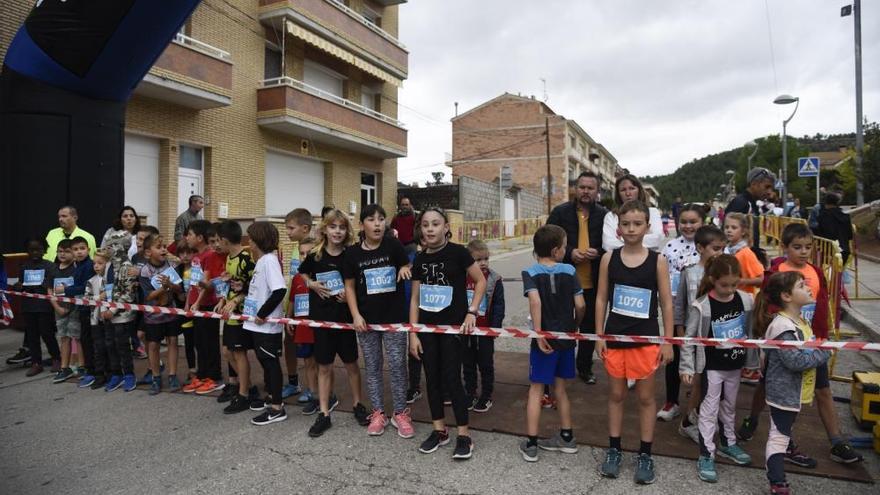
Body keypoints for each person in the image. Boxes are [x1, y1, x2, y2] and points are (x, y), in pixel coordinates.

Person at [737, 223, 863, 465]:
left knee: (823, 389)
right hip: (782, 343)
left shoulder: (816, 271)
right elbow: (764, 303)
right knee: (768, 387)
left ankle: (836, 441)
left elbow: (824, 303)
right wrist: (766, 333)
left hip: (811, 344)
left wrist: (824, 335)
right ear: (785, 247)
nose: (803, 252)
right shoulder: (776, 271)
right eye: (797, 247)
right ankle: (753, 420)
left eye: (808, 247)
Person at [594, 200, 674, 485]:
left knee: (645, 398)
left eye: (637, 224)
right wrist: (599, 336)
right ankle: (614, 449)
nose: (631, 229)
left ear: (647, 227)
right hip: (615, 338)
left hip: (647, 339)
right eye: (626, 224)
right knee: (616, 396)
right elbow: (601, 297)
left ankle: (645, 454)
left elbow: (666, 302)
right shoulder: (608, 259)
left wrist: (667, 341)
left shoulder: (658, 260)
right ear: (618, 227)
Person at [409, 207, 486, 460]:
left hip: (453, 328)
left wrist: (471, 312)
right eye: (425, 225)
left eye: (435, 224)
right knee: (432, 380)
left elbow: (481, 281)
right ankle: (439, 431)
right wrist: (413, 333)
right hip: (427, 329)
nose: (430, 229)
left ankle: (464, 435)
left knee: (453, 380)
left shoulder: (459, 253)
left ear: (445, 227)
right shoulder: (419, 259)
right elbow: (415, 298)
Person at [680, 254, 754, 483]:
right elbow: (688, 338)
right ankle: (706, 454)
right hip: (713, 367)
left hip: (735, 365)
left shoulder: (746, 300)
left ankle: (728, 443)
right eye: (724, 285)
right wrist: (687, 367)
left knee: (730, 406)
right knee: (710, 408)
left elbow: (750, 333)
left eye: (734, 284)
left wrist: (752, 362)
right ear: (712, 279)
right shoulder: (701, 306)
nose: (729, 289)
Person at [756, 271, 831, 495]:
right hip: (784, 392)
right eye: (802, 285)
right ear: (787, 296)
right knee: (778, 435)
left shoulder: (798, 321)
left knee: (784, 430)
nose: (809, 287)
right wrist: (825, 351)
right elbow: (795, 361)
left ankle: (785, 454)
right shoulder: (784, 328)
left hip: (793, 391)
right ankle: (777, 481)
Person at [343, 204, 415, 438]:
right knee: (372, 368)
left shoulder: (393, 245)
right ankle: (378, 413)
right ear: (362, 225)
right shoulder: (353, 254)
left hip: (393, 320)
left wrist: (404, 267)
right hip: (367, 322)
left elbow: (405, 263)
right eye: (372, 219)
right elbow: (349, 287)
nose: (377, 224)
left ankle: (401, 413)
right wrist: (355, 314)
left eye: (381, 219)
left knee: (396, 367)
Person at [518, 225, 585, 462]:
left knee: (536, 389)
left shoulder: (530, 272)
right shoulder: (570, 270)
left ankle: (532, 443)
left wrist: (538, 333)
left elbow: (535, 302)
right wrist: (575, 326)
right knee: (561, 389)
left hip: (544, 339)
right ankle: (567, 437)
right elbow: (580, 305)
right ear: (557, 250)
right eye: (565, 246)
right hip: (566, 338)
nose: (566, 250)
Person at [300, 209, 369, 437]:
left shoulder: (351, 255)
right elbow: (303, 274)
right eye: (333, 227)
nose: (337, 231)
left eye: (341, 227)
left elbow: (358, 284)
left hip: (344, 321)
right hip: (322, 320)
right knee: (324, 366)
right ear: (325, 230)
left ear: (347, 231)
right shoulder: (316, 254)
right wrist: (312, 285)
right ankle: (324, 413)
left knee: (351, 365)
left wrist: (348, 295)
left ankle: (358, 405)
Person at [546, 171, 608, 385]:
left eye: (590, 188)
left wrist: (598, 251)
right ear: (575, 188)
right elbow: (546, 240)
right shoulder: (560, 212)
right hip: (563, 282)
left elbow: (612, 245)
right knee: (559, 326)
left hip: (594, 283)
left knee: (589, 328)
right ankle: (555, 368)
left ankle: (584, 368)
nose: (585, 191)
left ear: (597, 191)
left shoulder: (604, 215)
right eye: (582, 187)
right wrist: (570, 252)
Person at [673, 225, 726, 443]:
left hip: (718, 336)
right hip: (695, 338)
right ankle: (688, 421)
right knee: (697, 381)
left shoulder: (724, 275)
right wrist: (679, 330)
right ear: (700, 248)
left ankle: (704, 419)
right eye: (715, 248)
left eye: (723, 249)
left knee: (716, 383)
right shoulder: (689, 272)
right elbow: (680, 305)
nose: (720, 253)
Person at [657, 204, 705, 421]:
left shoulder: (709, 245)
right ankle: (671, 401)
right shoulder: (670, 246)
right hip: (677, 308)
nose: (688, 226)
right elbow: (663, 276)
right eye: (683, 221)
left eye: (693, 221)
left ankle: (699, 404)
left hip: (704, 310)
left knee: (702, 356)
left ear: (702, 222)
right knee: (674, 354)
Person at [242, 222, 290, 426]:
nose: (249, 241)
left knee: (271, 364)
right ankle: (271, 396)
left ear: (260, 239)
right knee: (264, 362)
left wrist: (262, 314)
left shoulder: (269, 261)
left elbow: (279, 291)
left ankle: (277, 407)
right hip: (255, 324)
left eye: (251, 238)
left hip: (266, 325)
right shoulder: (262, 261)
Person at [213, 221, 257, 412]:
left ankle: (244, 394)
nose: (215, 245)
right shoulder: (229, 258)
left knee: (239, 353)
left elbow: (254, 288)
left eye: (216, 241)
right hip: (229, 313)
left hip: (242, 314)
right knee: (227, 352)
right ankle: (246, 386)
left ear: (224, 240)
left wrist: (237, 300)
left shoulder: (247, 260)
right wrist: (223, 299)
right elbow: (231, 284)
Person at [181, 220, 226, 395]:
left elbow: (207, 283)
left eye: (190, 234)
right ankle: (202, 374)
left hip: (207, 304)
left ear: (200, 238)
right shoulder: (196, 257)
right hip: (195, 305)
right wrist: (188, 302)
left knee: (210, 342)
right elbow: (193, 284)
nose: (187, 237)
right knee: (199, 342)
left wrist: (198, 302)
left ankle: (214, 377)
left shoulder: (209, 256)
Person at [462, 239, 505, 413]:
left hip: (486, 331)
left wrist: (495, 327)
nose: (484, 263)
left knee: (486, 364)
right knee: (468, 363)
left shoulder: (494, 279)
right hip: (466, 330)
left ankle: (486, 396)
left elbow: (499, 305)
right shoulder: (462, 277)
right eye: (478, 260)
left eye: (486, 259)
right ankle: (470, 393)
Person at [138, 233, 183, 395]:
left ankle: (172, 375)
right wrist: (163, 288)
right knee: (153, 345)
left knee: (172, 341)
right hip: (152, 316)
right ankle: (156, 377)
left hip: (171, 313)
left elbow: (179, 289)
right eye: (159, 247)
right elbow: (148, 296)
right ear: (148, 252)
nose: (163, 250)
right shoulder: (144, 271)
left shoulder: (171, 265)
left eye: (164, 246)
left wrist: (170, 284)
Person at [100, 230, 140, 392]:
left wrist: (113, 310)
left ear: (119, 247)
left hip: (122, 316)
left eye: (110, 246)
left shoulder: (127, 267)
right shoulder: (108, 266)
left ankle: (129, 375)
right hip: (107, 313)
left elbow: (128, 294)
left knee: (123, 345)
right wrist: (104, 308)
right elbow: (104, 288)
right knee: (110, 344)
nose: (106, 249)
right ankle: (116, 374)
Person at [282, 207, 314, 399]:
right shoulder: (295, 249)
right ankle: (293, 382)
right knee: (289, 343)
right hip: (293, 305)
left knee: (313, 355)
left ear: (305, 228)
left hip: (312, 310)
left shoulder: (315, 247)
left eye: (291, 228)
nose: (287, 232)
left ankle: (316, 389)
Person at [17, 239, 61, 376]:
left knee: (47, 333)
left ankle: (56, 359)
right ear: (27, 251)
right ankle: (36, 363)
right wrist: (19, 286)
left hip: (44, 306)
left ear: (44, 250)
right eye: (32, 249)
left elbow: (50, 284)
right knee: (32, 335)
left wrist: (35, 286)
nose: (35, 252)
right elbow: (22, 285)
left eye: (39, 249)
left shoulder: (50, 266)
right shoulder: (24, 267)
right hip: (28, 306)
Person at [288, 238, 319, 413]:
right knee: (308, 361)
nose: (305, 256)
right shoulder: (297, 278)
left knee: (322, 362)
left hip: (319, 326)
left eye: (309, 253)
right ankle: (311, 391)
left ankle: (325, 394)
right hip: (302, 327)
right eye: (302, 253)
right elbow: (292, 299)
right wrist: (288, 318)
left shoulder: (320, 275)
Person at [603, 174, 665, 252]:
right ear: (618, 194)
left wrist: (622, 238)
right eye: (623, 190)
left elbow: (656, 239)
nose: (628, 193)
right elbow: (608, 245)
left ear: (639, 190)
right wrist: (641, 239)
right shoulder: (611, 216)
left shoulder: (652, 212)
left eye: (632, 188)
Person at [65, 236, 97, 387]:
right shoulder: (77, 266)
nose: (79, 252)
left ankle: (94, 372)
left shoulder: (90, 265)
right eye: (76, 249)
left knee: (90, 340)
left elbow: (86, 287)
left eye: (82, 248)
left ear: (88, 249)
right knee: (85, 340)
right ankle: (90, 370)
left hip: (90, 308)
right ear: (71, 252)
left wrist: (66, 290)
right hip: (82, 308)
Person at [48, 239, 81, 383]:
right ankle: (65, 368)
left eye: (67, 251)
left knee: (77, 337)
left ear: (73, 254)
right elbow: (49, 290)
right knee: (64, 338)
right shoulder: (53, 269)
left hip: (75, 309)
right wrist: (57, 307)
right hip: (59, 309)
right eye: (60, 251)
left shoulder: (76, 269)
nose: (62, 254)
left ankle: (82, 366)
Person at [724, 167, 776, 250]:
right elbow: (727, 236)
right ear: (754, 184)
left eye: (771, 188)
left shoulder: (751, 203)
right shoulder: (742, 203)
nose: (769, 192)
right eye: (767, 187)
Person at [85, 249, 111, 389]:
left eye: (100, 263)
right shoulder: (91, 281)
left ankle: (113, 373)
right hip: (95, 320)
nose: (96, 266)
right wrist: (98, 298)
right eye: (94, 263)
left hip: (109, 318)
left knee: (110, 347)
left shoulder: (111, 280)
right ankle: (100, 375)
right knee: (98, 348)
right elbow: (86, 298)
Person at [174, 244, 198, 381]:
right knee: (188, 341)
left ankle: (204, 369)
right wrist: (179, 294)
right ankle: (192, 369)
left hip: (198, 308)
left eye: (188, 253)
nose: (185, 256)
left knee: (199, 341)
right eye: (182, 253)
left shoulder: (197, 268)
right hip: (183, 310)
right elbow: (176, 290)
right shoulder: (177, 270)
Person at [814, 191, 854, 265]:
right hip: (844, 249)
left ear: (825, 203)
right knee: (840, 270)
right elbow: (850, 235)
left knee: (830, 273)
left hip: (828, 250)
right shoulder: (845, 217)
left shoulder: (822, 217)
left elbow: (819, 234)